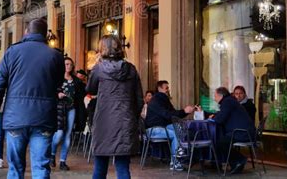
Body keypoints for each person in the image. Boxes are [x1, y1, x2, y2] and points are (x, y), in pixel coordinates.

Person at [0, 18, 65, 179]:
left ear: (26, 32)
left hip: (16, 118)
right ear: (45, 35)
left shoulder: (12, 52)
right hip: (43, 118)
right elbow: (58, 83)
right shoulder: (56, 56)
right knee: (41, 168)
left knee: (15, 169)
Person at [86, 35, 144, 179]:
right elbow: (139, 98)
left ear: (102, 49)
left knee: (100, 165)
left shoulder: (99, 69)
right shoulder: (131, 69)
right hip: (125, 120)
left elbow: (90, 89)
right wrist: (132, 116)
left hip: (104, 121)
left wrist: (94, 65)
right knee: (123, 167)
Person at [144, 80, 195, 171]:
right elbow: (167, 114)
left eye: (168, 88)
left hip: (162, 127)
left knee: (181, 129)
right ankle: (175, 162)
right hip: (153, 130)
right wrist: (184, 111)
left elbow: (173, 114)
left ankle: (182, 154)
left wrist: (185, 112)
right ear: (160, 88)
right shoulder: (156, 101)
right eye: (166, 88)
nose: (168, 90)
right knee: (176, 133)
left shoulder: (163, 100)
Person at [50, 57, 86, 171]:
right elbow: (50, 90)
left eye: (70, 64)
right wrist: (58, 94)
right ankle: (52, 154)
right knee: (59, 134)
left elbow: (81, 95)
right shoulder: (57, 78)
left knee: (67, 135)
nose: (68, 66)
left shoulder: (76, 81)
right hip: (59, 108)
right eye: (66, 64)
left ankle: (62, 161)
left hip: (71, 109)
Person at [210, 87, 255, 175]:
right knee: (222, 140)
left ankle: (239, 160)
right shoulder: (229, 101)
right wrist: (215, 116)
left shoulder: (227, 102)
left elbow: (220, 119)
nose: (214, 98)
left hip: (242, 133)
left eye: (215, 96)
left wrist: (213, 118)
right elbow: (222, 114)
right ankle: (233, 163)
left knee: (221, 142)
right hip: (241, 131)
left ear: (220, 96)